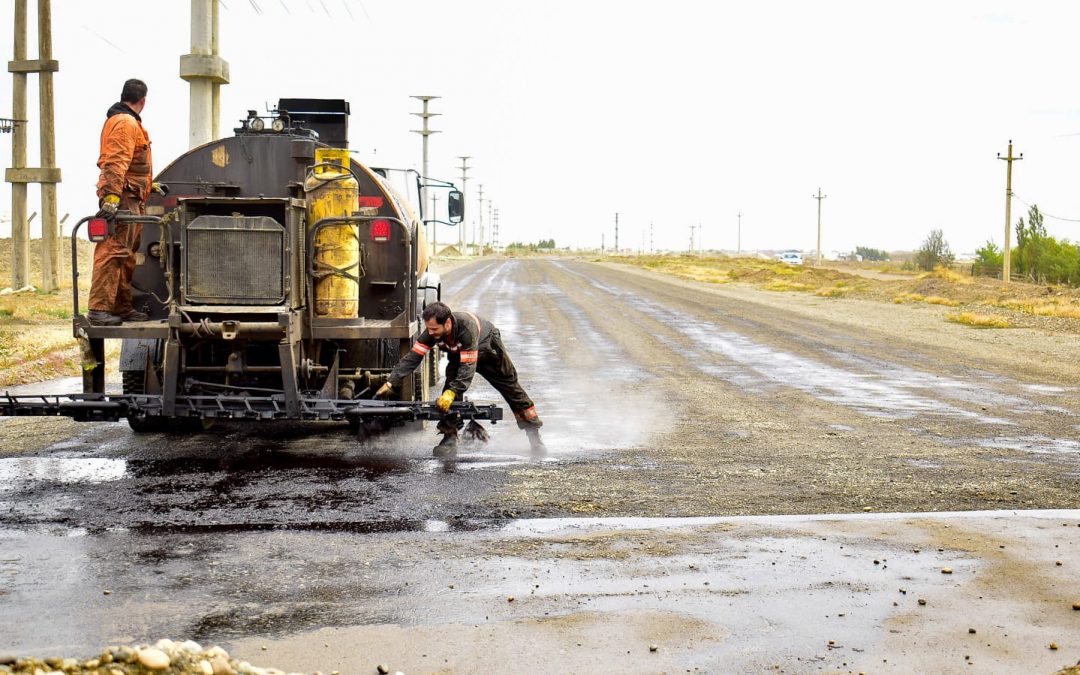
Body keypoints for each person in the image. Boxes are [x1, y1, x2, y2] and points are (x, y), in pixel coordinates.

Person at [376, 301, 545, 456]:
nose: (430, 333)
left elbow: (468, 368)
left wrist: (453, 391)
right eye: (428, 329)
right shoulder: (432, 331)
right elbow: (413, 357)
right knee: (447, 393)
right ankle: (449, 439)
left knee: (511, 389)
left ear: (447, 323)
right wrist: (392, 381)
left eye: (434, 329)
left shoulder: (466, 327)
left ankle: (534, 437)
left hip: (488, 350)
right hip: (459, 356)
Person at [88, 78, 164, 326]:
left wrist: (148, 185)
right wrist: (111, 199)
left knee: (126, 256)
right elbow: (115, 162)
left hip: (131, 198)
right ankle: (99, 309)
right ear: (143, 100)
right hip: (122, 200)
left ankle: (121, 307)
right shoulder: (125, 123)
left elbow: (130, 166)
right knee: (112, 253)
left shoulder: (126, 121)